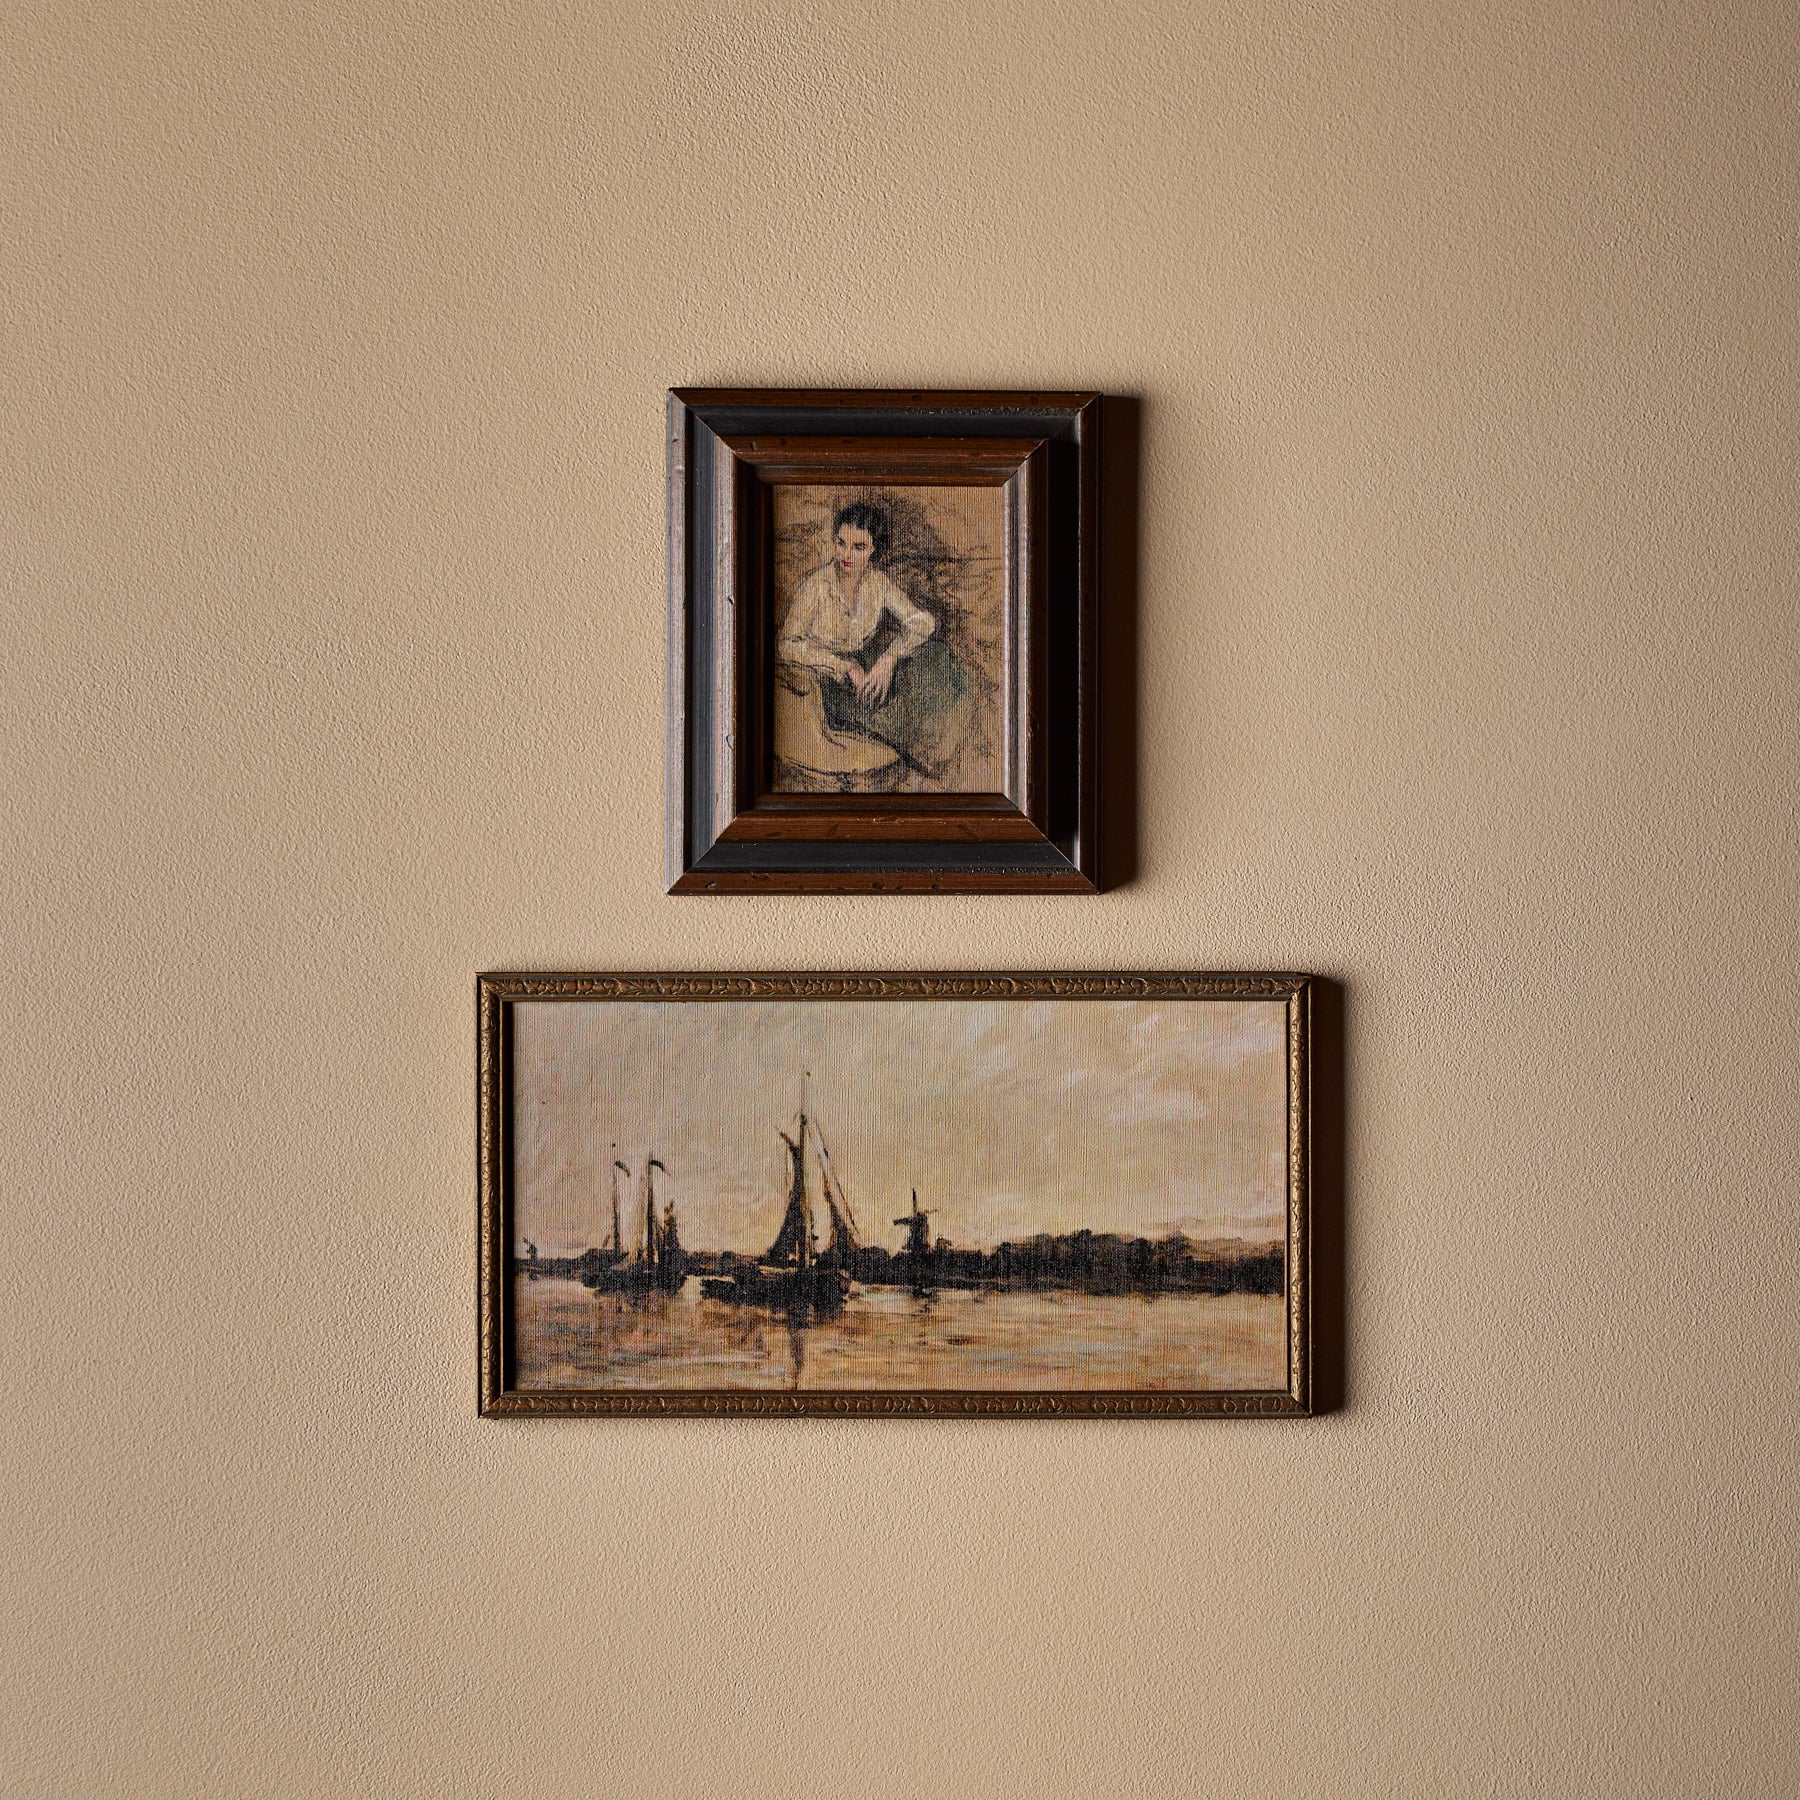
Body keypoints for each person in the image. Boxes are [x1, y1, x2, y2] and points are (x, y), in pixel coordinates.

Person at [774, 501, 965, 787]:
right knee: (893, 710)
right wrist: (843, 666)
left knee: (937, 655)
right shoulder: (817, 586)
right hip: (824, 678)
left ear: (874, 550)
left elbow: (922, 621)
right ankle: (918, 756)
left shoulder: (878, 583)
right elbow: (786, 644)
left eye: (859, 547)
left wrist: (888, 659)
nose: (846, 555)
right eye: (841, 543)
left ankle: (938, 753)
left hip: (865, 669)